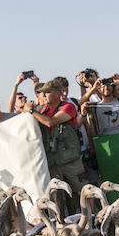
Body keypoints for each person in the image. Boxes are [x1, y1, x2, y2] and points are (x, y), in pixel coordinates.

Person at [25, 79, 84, 214]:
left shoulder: (67, 107)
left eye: (47, 92)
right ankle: (61, 222)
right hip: (53, 161)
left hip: (70, 160)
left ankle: (90, 218)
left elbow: (50, 122)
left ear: (58, 93)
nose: (44, 95)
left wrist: (32, 111)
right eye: (42, 93)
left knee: (81, 190)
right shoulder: (42, 110)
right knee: (56, 195)